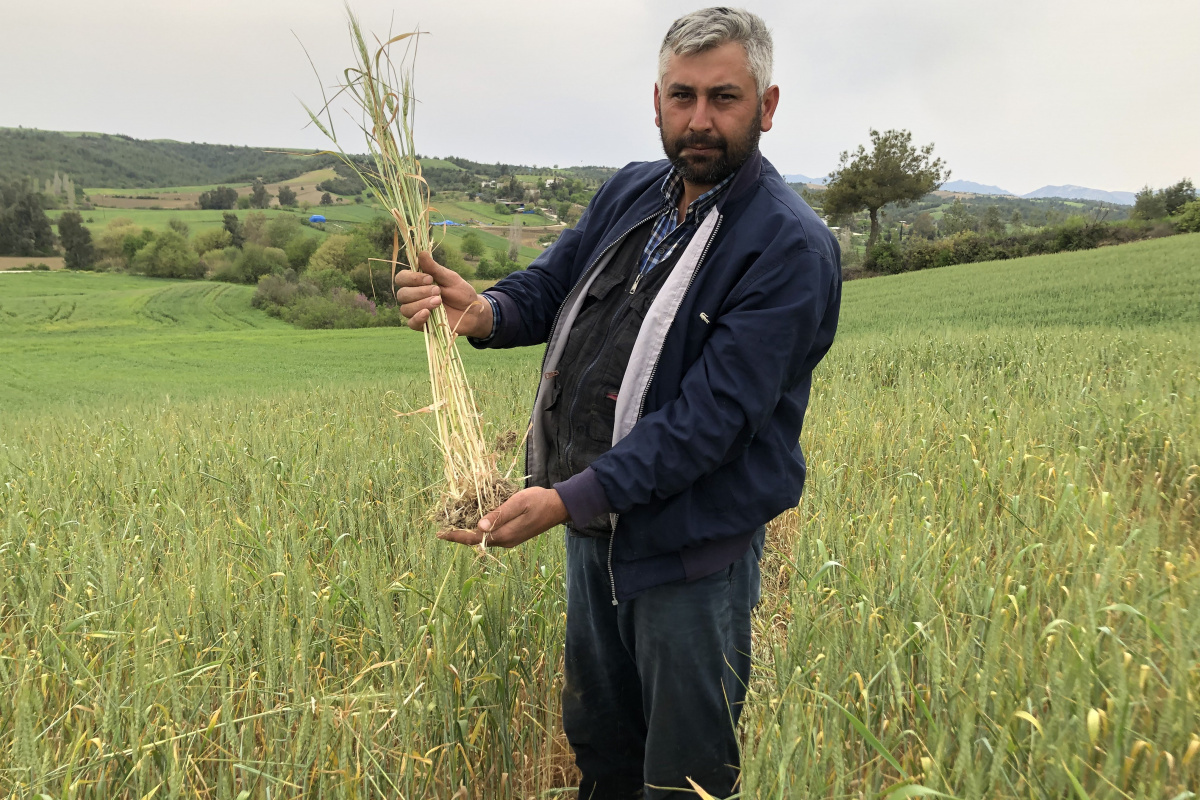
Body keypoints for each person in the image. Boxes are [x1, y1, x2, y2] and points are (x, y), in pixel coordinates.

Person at [396, 7, 841, 798]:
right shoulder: (634, 192)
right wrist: (485, 312)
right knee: (601, 748)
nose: (699, 120)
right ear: (658, 100)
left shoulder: (788, 247)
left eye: (724, 98)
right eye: (682, 96)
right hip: (594, 534)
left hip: (687, 556)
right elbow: (553, 283)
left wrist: (566, 499)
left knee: (684, 775)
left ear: (767, 107)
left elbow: (713, 423)